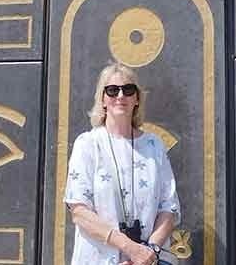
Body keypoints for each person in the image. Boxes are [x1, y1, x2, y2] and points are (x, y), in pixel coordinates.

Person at [64, 61, 181, 265]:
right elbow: (79, 211)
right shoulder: (87, 144)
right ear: (102, 99)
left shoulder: (154, 146)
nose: (120, 96)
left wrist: (147, 253)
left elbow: (169, 208)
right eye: (112, 90)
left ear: (137, 99)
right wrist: (129, 248)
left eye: (128, 90)